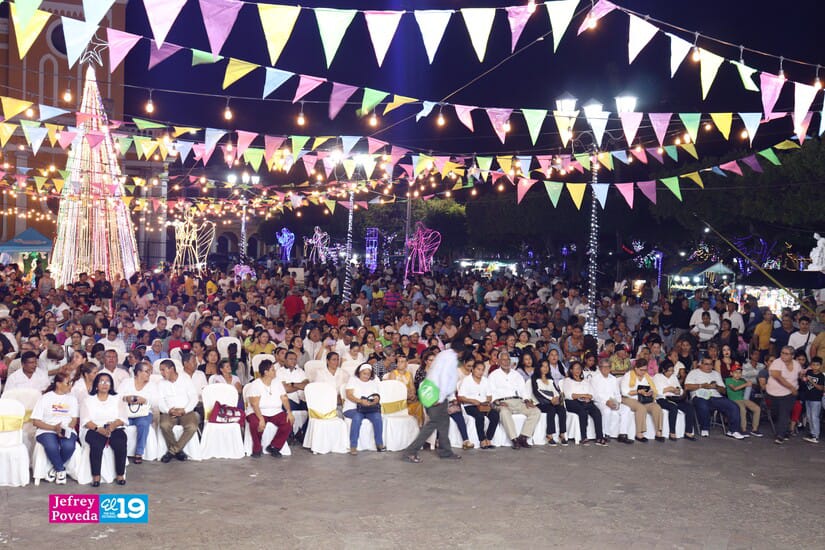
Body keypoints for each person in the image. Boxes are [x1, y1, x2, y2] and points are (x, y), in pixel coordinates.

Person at [401, 348, 462, 463]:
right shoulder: (445, 363)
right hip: (435, 398)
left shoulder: (442, 361)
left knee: (444, 423)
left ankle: (445, 451)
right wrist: (440, 398)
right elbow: (441, 381)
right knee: (432, 425)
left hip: (439, 398)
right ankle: (410, 452)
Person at [80, 372, 127, 486]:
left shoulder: (117, 399)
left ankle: (120, 474)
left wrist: (113, 426)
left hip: (114, 427)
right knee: (96, 444)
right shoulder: (88, 400)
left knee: (120, 442)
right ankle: (96, 476)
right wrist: (98, 429)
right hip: (94, 428)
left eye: (107, 382)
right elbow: (85, 420)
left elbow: (123, 418)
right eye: (101, 381)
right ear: (96, 385)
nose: (105, 384)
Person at [488, 349, 541, 449]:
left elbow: (523, 391)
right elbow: (490, 392)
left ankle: (523, 437)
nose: (506, 362)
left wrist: (526, 401)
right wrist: (497, 402)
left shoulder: (516, 374)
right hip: (503, 402)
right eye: (503, 360)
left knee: (536, 411)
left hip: (518, 401)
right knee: (504, 412)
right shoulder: (493, 375)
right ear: (498, 361)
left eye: (508, 359)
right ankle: (514, 439)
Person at [31, 373, 78, 485]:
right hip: (46, 429)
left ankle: (54, 468)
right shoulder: (45, 398)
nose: (70, 385)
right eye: (68, 383)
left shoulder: (72, 399)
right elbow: (36, 421)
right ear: (58, 384)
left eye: (71, 382)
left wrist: (66, 429)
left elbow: (74, 420)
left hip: (66, 429)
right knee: (51, 446)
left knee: (69, 446)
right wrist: (54, 428)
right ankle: (60, 470)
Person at [684, 357, 745, 439]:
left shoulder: (716, 374)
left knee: (733, 406)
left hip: (716, 397)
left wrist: (716, 386)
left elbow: (724, 391)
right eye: (706, 364)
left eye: (711, 364)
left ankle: (733, 431)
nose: (709, 366)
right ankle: (704, 428)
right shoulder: (694, 373)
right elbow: (687, 387)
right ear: (701, 365)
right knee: (703, 405)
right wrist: (702, 386)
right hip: (699, 396)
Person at [245, 360, 294, 458]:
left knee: (288, 421)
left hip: (275, 411)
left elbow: (284, 398)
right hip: (258, 411)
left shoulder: (277, 382)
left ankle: (275, 446)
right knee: (255, 423)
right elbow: (254, 404)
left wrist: (289, 412)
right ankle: (257, 448)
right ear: (266, 372)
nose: (275, 371)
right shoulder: (255, 384)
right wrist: (261, 419)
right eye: (272, 370)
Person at [158, 359, 200, 462]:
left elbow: (194, 398)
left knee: (192, 426)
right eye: (160, 370)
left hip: (186, 411)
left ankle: (172, 451)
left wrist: (185, 410)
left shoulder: (185, 379)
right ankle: (179, 452)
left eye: (163, 370)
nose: (161, 373)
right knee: (164, 425)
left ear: (172, 369)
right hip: (169, 412)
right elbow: (159, 401)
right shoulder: (161, 383)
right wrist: (168, 410)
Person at [119, 361, 157, 463]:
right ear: (139, 372)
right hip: (127, 412)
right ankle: (121, 452)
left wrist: (145, 400)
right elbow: (117, 397)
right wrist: (126, 398)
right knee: (119, 425)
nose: (149, 374)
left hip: (144, 413)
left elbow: (156, 403)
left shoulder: (152, 385)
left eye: (150, 372)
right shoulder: (126, 382)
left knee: (143, 424)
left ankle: (139, 452)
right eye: (146, 371)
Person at [343, 363, 386, 455]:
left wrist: (374, 401)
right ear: (359, 372)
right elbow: (349, 395)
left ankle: (379, 444)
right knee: (357, 417)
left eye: (368, 374)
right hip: (352, 408)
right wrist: (360, 401)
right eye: (364, 373)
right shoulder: (353, 380)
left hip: (369, 408)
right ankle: (353, 446)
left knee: (378, 417)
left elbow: (376, 396)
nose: (366, 376)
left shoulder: (373, 382)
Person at [562, 361, 608, 446]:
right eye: (575, 368)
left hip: (586, 401)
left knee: (597, 412)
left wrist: (588, 397)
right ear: (571, 370)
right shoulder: (568, 380)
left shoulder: (586, 381)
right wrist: (583, 395)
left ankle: (599, 437)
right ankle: (583, 437)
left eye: (579, 368)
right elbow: (569, 395)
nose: (578, 370)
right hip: (572, 402)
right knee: (582, 411)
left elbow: (592, 394)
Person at [591, 358, 634, 444]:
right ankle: (606, 434)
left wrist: (617, 402)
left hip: (613, 402)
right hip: (600, 402)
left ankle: (622, 434)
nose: (606, 369)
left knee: (626, 409)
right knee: (606, 411)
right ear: (600, 368)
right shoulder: (595, 379)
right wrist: (606, 402)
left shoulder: (613, 378)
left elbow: (617, 394)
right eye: (604, 367)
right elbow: (595, 395)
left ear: (610, 368)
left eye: (608, 367)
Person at [457, 360, 499, 449]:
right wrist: (472, 401)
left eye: (482, 370)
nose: (480, 372)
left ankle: (489, 439)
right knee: (479, 416)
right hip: (470, 405)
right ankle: (482, 440)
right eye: (478, 369)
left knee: (495, 415)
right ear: (473, 369)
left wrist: (487, 401)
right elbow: (460, 397)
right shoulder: (466, 380)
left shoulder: (485, 381)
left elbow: (489, 396)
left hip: (483, 405)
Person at [766, 345, 802, 445]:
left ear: (792, 356)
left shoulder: (796, 364)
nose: (783, 355)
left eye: (786, 354)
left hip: (789, 394)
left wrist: (802, 376)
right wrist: (791, 387)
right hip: (774, 393)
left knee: (784, 412)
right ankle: (784, 430)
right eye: (782, 353)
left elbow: (800, 373)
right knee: (776, 413)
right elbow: (777, 377)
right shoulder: (777, 363)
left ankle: (780, 435)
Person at [621, 362, 665, 442]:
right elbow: (624, 392)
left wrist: (650, 392)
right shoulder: (628, 375)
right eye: (641, 370)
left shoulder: (647, 377)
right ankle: (639, 433)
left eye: (645, 370)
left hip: (644, 399)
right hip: (629, 398)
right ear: (636, 368)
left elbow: (652, 388)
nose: (643, 372)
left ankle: (658, 432)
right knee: (641, 408)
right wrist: (638, 391)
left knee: (657, 407)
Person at [653, 362, 697, 441]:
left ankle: (688, 432)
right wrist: (668, 389)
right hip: (662, 398)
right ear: (663, 370)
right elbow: (656, 391)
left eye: (672, 371)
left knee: (689, 408)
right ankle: (672, 432)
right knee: (673, 407)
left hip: (674, 398)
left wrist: (678, 391)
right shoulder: (657, 377)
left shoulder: (673, 377)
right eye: (669, 371)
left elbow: (680, 389)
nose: (671, 373)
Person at [530, 358, 568, 445]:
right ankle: (549, 435)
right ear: (539, 367)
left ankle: (562, 434)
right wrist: (550, 400)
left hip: (552, 401)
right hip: (541, 402)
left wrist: (557, 398)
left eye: (547, 366)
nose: (545, 368)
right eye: (543, 366)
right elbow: (537, 393)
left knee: (562, 409)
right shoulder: (535, 378)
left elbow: (555, 390)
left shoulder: (550, 378)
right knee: (551, 409)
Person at [724, 365, 762, 437]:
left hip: (743, 399)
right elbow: (734, 388)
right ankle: (743, 429)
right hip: (733, 399)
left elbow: (748, 387)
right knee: (742, 409)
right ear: (731, 373)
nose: (738, 374)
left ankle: (755, 429)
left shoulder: (742, 381)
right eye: (735, 372)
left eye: (739, 373)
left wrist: (750, 384)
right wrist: (746, 384)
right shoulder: (728, 380)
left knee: (757, 408)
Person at [800, 357, 824, 443]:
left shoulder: (821, 376)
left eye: (817, 365)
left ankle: (816, 435)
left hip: (816, 399)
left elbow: (821, 388)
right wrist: (802, 377)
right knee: (809, 416)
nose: (815, 366)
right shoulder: (809, 372)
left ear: (820, 366)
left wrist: (812, 381)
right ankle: (812, 433)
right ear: (811, 365)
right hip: (808, 398)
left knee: (814, 417)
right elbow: (804, 380)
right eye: (813, 364)